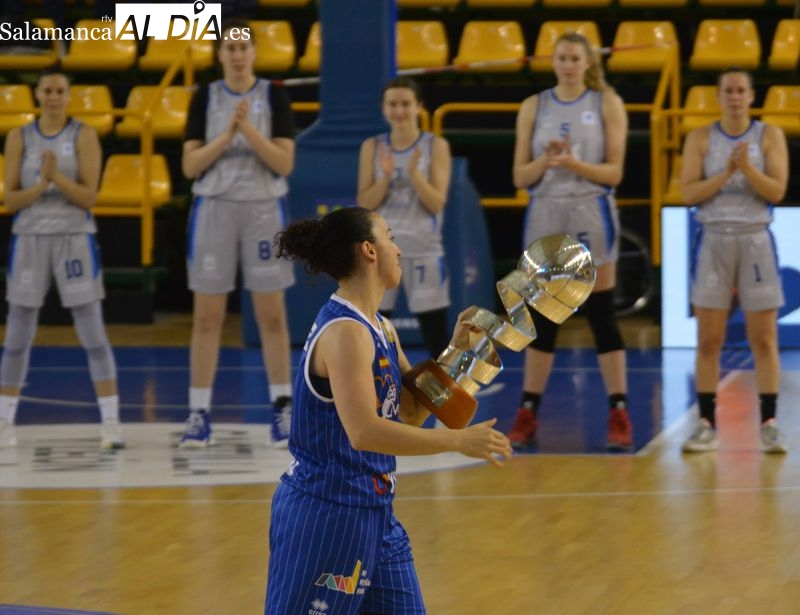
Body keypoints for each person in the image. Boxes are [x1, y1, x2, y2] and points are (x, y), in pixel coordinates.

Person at [265, 207, 512, 614]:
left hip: (374, 513)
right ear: (369, 250)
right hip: (327, 515)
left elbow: (410, 412)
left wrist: (457, 353)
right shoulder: (346, 333)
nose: (398, 249)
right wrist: (457, 441)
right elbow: (365, 432)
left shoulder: (381, 327)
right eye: (390, 237)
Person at [508, 32, 633, 451]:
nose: (567, 64)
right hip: (545, 208)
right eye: (561, 57)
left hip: (589, 209)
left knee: (601, 313)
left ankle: (619, 411)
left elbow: (615, 173)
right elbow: (520, 178)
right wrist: (546, 160)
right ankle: (527, 411)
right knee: (542, 317)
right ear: (553, 61)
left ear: (587, 62)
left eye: (574, 58)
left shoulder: (606, 103)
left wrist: (573, 162)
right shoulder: (533, 105)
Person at [181, 18, 295, 448]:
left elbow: (284, 164)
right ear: (219, 54)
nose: (237, 53)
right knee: (207, 317)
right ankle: (198, 412)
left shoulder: (274, 96)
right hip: (214, 208)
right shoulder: (204, 97)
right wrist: (228, 133)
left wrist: (248, 129)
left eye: (243, 47)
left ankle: (281, 409)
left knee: (271, 316)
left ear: (253, 53)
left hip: (264, 210)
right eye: (229, 47)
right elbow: (191, 166)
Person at [0, 68, 123, 450]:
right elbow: (9, 200)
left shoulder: (83, 135)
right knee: (18, 333)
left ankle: (111, 422)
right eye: (48, 90)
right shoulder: (18, 136)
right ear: (37, 95)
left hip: (73, 237)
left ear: (68, 96)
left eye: (60, 91)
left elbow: (89, 197)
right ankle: (4, 422)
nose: (54, 96)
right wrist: (41, 183)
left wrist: (57, 179)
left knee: (92, 333)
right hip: (30, 237)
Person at [679, 67, 789, 454]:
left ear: (752, 96)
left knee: (764, 338)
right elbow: (689, 193)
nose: (735, 96)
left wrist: (747, 169)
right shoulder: (701, 137)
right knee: (709, 339)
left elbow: (776, 189)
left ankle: (770, 423)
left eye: (742, 90)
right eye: (728, 90)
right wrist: (727, 172)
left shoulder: (768, 135)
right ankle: (707, 422)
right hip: (714, 239)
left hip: (755, 239)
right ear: (719, 96)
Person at [357, 77, 453, 360]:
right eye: (393, 104)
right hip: (380, 250)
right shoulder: (372, 147)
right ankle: (373, 390)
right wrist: (385, 176)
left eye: (405, 104)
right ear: (384, 108)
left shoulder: (435, 146)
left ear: (418, 107)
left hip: (424, 248)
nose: (399, 110)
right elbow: (364, 202)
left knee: (435, 333)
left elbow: (436, 203)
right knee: (373, 328)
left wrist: (414, 174)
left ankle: (444, 395)